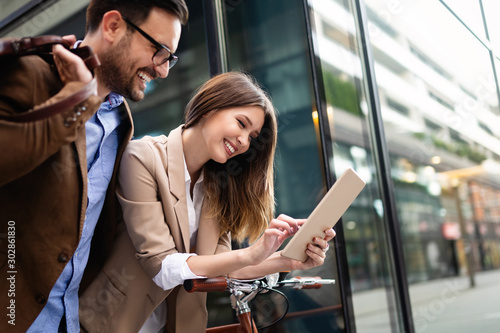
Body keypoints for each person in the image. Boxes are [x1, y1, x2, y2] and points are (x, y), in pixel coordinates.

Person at [79, 72, 336, 333]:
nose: (244, 141)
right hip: (112, 324)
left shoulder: (216, 188)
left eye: (252, 136)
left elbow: (224, 267)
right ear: (209, 107)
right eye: (241, 123)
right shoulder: (142, 157)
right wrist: (251, 253)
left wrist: (286, 260)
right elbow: (161, 266)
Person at [0, 1, 188, 332]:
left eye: (169, 58)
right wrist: (78, 98)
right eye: (158, 51)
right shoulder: (31, 74)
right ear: (113, 26)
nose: (163, 70)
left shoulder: (121, 121)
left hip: (67, 320)